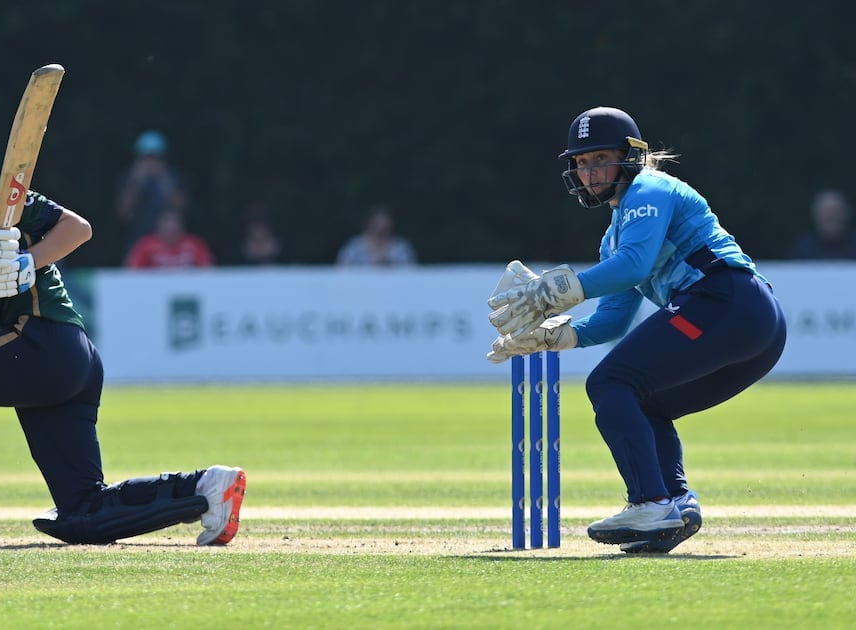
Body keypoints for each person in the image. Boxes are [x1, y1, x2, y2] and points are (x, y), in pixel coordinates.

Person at [0, 118, 245, 547]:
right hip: (60, 365)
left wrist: (26, 261)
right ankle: (207, 489)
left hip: (42, 342)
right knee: (82, 511)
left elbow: (78, 229)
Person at [485, 106, 785, 554]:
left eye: (600, 158)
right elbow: (614, 319)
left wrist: (558, 290)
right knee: (644, 401)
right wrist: (560, 335)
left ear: (631, 156)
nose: (589, 172)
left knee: (610, 382)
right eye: (582, 163)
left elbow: (636, 266)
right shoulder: (612, 236)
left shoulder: (652, 188)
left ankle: (650, 501)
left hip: (727, 301)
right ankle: (674, 503)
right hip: (749, 321)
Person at [115, 130, 189, 254]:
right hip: (139, 240)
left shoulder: (172, 177)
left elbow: (182, 208)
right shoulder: (129, 178)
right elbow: (123, 213)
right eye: (146, 157)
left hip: (169, 241)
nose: (150, 162)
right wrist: (136, 183)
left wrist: (164, 181)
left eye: (154, 157)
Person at [124, 208, 215, 269]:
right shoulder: (146, 246)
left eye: (173, 229)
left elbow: (208, 269)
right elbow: (133, 271)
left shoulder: (194, 245)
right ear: (159, 227)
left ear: (181, 227)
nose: (170, 232)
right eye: (167, 228)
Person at [335, 204, 417, 266]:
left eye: (385, 228)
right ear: (367, 225)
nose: (380, 231)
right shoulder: (353, 247)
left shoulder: (401, 248)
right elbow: (341, 271)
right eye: (376, 226)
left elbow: (412, 273)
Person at [788, 189, 856, 259]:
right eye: (826, 212)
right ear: (815, 214)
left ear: (846, 213)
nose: (831, 216)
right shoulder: (803, 247)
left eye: (835, 211)